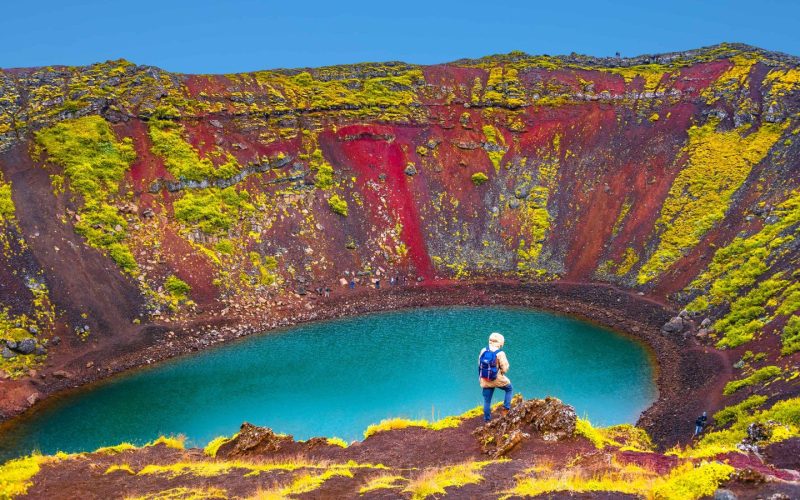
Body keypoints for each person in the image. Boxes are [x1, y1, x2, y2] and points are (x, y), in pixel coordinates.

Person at [478, 332, 512, 422]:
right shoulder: (500, 353)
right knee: (509, 389)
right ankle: (506, 408)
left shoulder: (483, 350)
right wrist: (502, 372)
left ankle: (487, 420)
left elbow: (479, 364)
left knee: (487, 401)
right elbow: (505, 367)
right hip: (497, 378)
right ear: (500, 342)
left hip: (485, 379)